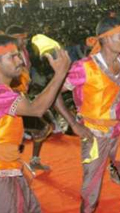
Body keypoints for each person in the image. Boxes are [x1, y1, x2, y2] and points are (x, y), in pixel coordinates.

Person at [54, 15, 120, 213]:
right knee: (91, 192)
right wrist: (74, 123)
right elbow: (53, 94)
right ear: (105, 39)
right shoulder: (84, 67)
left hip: (118, 132)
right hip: (94, 137)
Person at [0, 34, 70, 212]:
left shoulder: (7, 90)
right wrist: (60, 73)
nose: (20, 60)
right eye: (12, 56)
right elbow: (35, 109)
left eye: (19, 54)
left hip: (11, 168)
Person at [6, 25, 55, 172]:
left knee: (44, 127)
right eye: (20, 38)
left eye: (25, 38)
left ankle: (33, 161)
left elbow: (25, 74)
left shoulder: (24, 52)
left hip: (21, 97)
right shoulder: (6, 56)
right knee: (20, 133)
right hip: (9, 101)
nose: (24, 41)